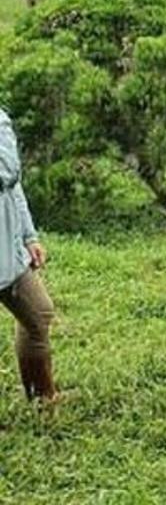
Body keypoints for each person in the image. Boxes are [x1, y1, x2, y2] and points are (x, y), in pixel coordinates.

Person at [0, 108, 58, 402]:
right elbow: (6, 171)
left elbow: (13, 183)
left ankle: (41, 398)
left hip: (7, 248)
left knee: (38, 313)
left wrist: (28, 234)